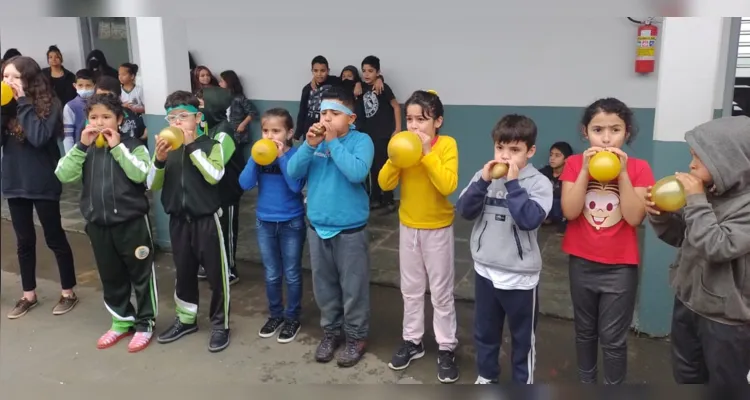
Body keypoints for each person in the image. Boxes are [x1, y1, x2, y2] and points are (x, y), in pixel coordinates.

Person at [645, 116, 750, 385]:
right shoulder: (709, 193)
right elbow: (683, 236)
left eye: (700, 159)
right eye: (692, 156)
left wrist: (695, 200)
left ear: (730, 162)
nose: (691, 165)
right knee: (687, 377)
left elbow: (718, 245)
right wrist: (661, 215)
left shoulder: (740, 206)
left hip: (726, 321)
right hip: (688, 303)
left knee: (724, 383)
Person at [560, 98, 654, 384]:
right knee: (585, 332)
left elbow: (635, 217)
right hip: (582, 263)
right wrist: (587, 170)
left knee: (613, 340)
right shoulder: (575, 164)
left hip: (620, 269)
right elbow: (570, 210)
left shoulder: (639, 168)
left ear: (626, 133)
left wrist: (622, 173)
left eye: (615, 130)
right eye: (598, 129)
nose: (606, 138)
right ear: (585, 132)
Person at [54, 93, 156, 352]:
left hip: (131, 224)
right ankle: (121, 321)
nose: (99, 123)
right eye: (93, 117)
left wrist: (117, 148)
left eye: (106, 117)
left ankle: (145, 323)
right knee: (111, 276)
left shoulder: (134, 146)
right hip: (98, 224)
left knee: (141, 275)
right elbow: (63, 174)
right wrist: (80, 147)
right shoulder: (85, 149)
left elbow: (141, 175)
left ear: (119, 120)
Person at [456, 114, 553, 384]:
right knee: (485, 332)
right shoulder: (484, 176)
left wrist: (512, 184)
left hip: (520, 277)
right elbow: (464, 211)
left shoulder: (539, 183)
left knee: (523, 340)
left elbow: (529, 219)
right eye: (500, 148)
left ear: (530, 151)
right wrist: (482, 182)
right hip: (486, 271)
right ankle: (487, 376)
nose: (505, 156)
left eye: (514, 150)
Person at [287, 86, 374, 367]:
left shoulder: (362, 141)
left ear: (351, 118)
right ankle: (331, 332)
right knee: (324, 287)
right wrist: (309, 146)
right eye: (323, 112)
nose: (326, 118)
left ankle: (356, 336)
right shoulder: (315, 143)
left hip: (350, 229)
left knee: (353, 287)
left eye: (334, 113)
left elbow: (357, 172)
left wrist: (333, 142)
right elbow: (293, 173)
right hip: (317, 226)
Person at [377, 90, 460, 383]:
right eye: (410, 119)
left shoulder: (447, 145)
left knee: (441, 291)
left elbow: (448, 184)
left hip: (437, 228)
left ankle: (447, 346)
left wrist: (426, 155)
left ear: (438, 121)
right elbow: (384, 183)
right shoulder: (404, 148)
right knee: (411, 289)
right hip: (408, 227)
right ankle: (413, 341)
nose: (414, 126)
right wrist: (395, 159)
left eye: (421, 120)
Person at [147, 90, 231, 353]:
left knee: (216, 276)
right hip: (178, 221)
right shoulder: (166, 149)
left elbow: (214, 175)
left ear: (197, 118)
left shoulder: (211, 145)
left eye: (183, 117)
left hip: (206, 220)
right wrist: (159, 160)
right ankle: (186, 320)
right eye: (171, 118)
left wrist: (192, 145)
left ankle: (220, 324)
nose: (177, 123)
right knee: (183, 273)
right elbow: (151, 184)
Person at [1, 56, 78, 319]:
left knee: (54, 237)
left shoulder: (50, 104)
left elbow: (37, 137)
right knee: (24, 241)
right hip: (15, 180)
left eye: (14, 77)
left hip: (43, 180)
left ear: (28, 79)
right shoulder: (6, 106)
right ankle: (28, 295)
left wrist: (22, 102)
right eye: (5, 76)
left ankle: (68, 292)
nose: (8, 81)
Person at [239, 108, 306, 343]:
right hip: (264, 222)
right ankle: (275, 314)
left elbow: (296, 187)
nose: (269, 136)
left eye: (276, 131)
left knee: (292, 273)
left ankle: (292, 317)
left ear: (289, 133)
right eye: (265, 131)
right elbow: (245, 183)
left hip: (291, 222)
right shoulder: (259, 156)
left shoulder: (296, 155)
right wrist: (254, 160)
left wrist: (281, 157)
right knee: (271, 273)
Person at [197, 86, 243, 285]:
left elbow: (218, 161)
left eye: (201, 104)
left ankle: (230, 268)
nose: (198, 109)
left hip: (227, 192)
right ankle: (212, 265)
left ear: (213, 106)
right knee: (212, 231)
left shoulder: (225, 131)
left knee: (227, 231)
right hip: (212, 192)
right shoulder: (209, 127)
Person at [294, 55, 382, 141]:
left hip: (328, 128)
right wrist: (297, 134)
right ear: (312, 71)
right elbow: (302, 111)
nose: (319, 74)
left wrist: (377, 79)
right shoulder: (307, 89)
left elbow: (350, 79)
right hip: (310, 128)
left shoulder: (335, 81)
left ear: (328, 71)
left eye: (322, 70)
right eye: (316, 71)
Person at [361, 55, 401, 214]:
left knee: (383, 167)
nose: (366, 74)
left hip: (383, 134)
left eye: (370, 71)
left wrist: (397, 129)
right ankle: (375, 199)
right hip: (368, 135)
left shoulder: (383, 87)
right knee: (372, 169)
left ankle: (388, 199)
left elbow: (396, 107)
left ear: (378, 72)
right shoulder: (362, 88)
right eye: (364, 71)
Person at [94, 76, 147, 144]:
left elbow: (142, 135)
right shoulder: (91, 119)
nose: (104, 101)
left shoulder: (130, 113)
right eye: (100, 97)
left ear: (119, 96)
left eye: (109, 97)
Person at [219, 70, 258, 160]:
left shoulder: (239, 98)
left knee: (237, 156)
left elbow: (253, 112)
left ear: (228, 82)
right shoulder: (221, 98)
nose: (219, 84)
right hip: (226, 132)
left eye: (221, 81)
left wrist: (243, 124)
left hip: (238, 134)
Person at [539, 141, 573, 234]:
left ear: (566, 159)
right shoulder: (544, 173)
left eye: (557, 155)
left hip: (561, 211)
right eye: (551, 155)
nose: (552, 158)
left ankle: (563, 223)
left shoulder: (570, 175)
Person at [62, 69, 96, 153]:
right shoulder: (70, 107)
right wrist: (70, 156)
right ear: (75, 85)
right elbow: (68, 136)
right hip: (80, 151)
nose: (84, 88)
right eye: (80, 85)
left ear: (95, 86)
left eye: (88, 85)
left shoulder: (100, 104)